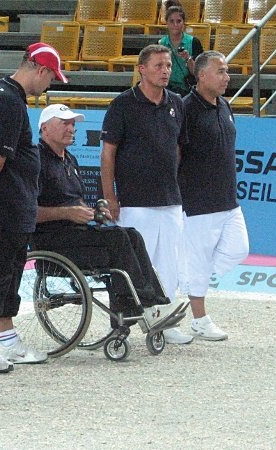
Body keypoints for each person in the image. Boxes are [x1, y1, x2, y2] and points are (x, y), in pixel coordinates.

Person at [34, 104, 187, 328]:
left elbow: (75, 204)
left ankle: (154, 305)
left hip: (76, 234)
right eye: (64, 123)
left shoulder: (70, 160)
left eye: (73, 124)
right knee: (118, 239)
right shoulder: (35, 161)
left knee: (131, 235)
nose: (71, 128)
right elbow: (28, 211)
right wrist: (68, 213)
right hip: (51, 241)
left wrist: (94, 212)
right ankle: (146, 307)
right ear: (45, 129)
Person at [0, 42, 67, 373]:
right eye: (51, 78)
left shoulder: (2, 93)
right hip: (4, 203)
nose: (49, 86)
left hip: (12, 202)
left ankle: (7, 340)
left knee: (8, 272)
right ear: (39, 70)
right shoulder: (9, 101)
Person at [100, 44, 193, 345]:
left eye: (168, 65)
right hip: (134, 202)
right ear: (142, 69)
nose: (165, 70)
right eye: (159, 65)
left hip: (170, 199)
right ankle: (123, 323)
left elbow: (178, 147)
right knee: (134, 264)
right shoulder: (122, 105)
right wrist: (110, 196)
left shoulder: (176, 103)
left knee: (169, 263)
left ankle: (165, 320)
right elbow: (107, 154)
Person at [179, 51, 249, 340]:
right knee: (198, 262)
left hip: (228, 199)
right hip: (198, 202)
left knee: (239, 248)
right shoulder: (185, 109)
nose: (227, 77)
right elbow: (176, 155)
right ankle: (199, 318)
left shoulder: (224, 105)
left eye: (227, 71)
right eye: (220, 71)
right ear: (202, 75)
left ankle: (189, 277)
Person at [159, 0, 204, 96]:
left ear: (184, 23)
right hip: (166, 90)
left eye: (178, 21)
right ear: (166, 23)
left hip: (188, 90)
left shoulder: (194, 42)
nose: (175, 25)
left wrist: (188, 59)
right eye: (171, 21)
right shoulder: (160, 44)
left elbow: (198, 74)